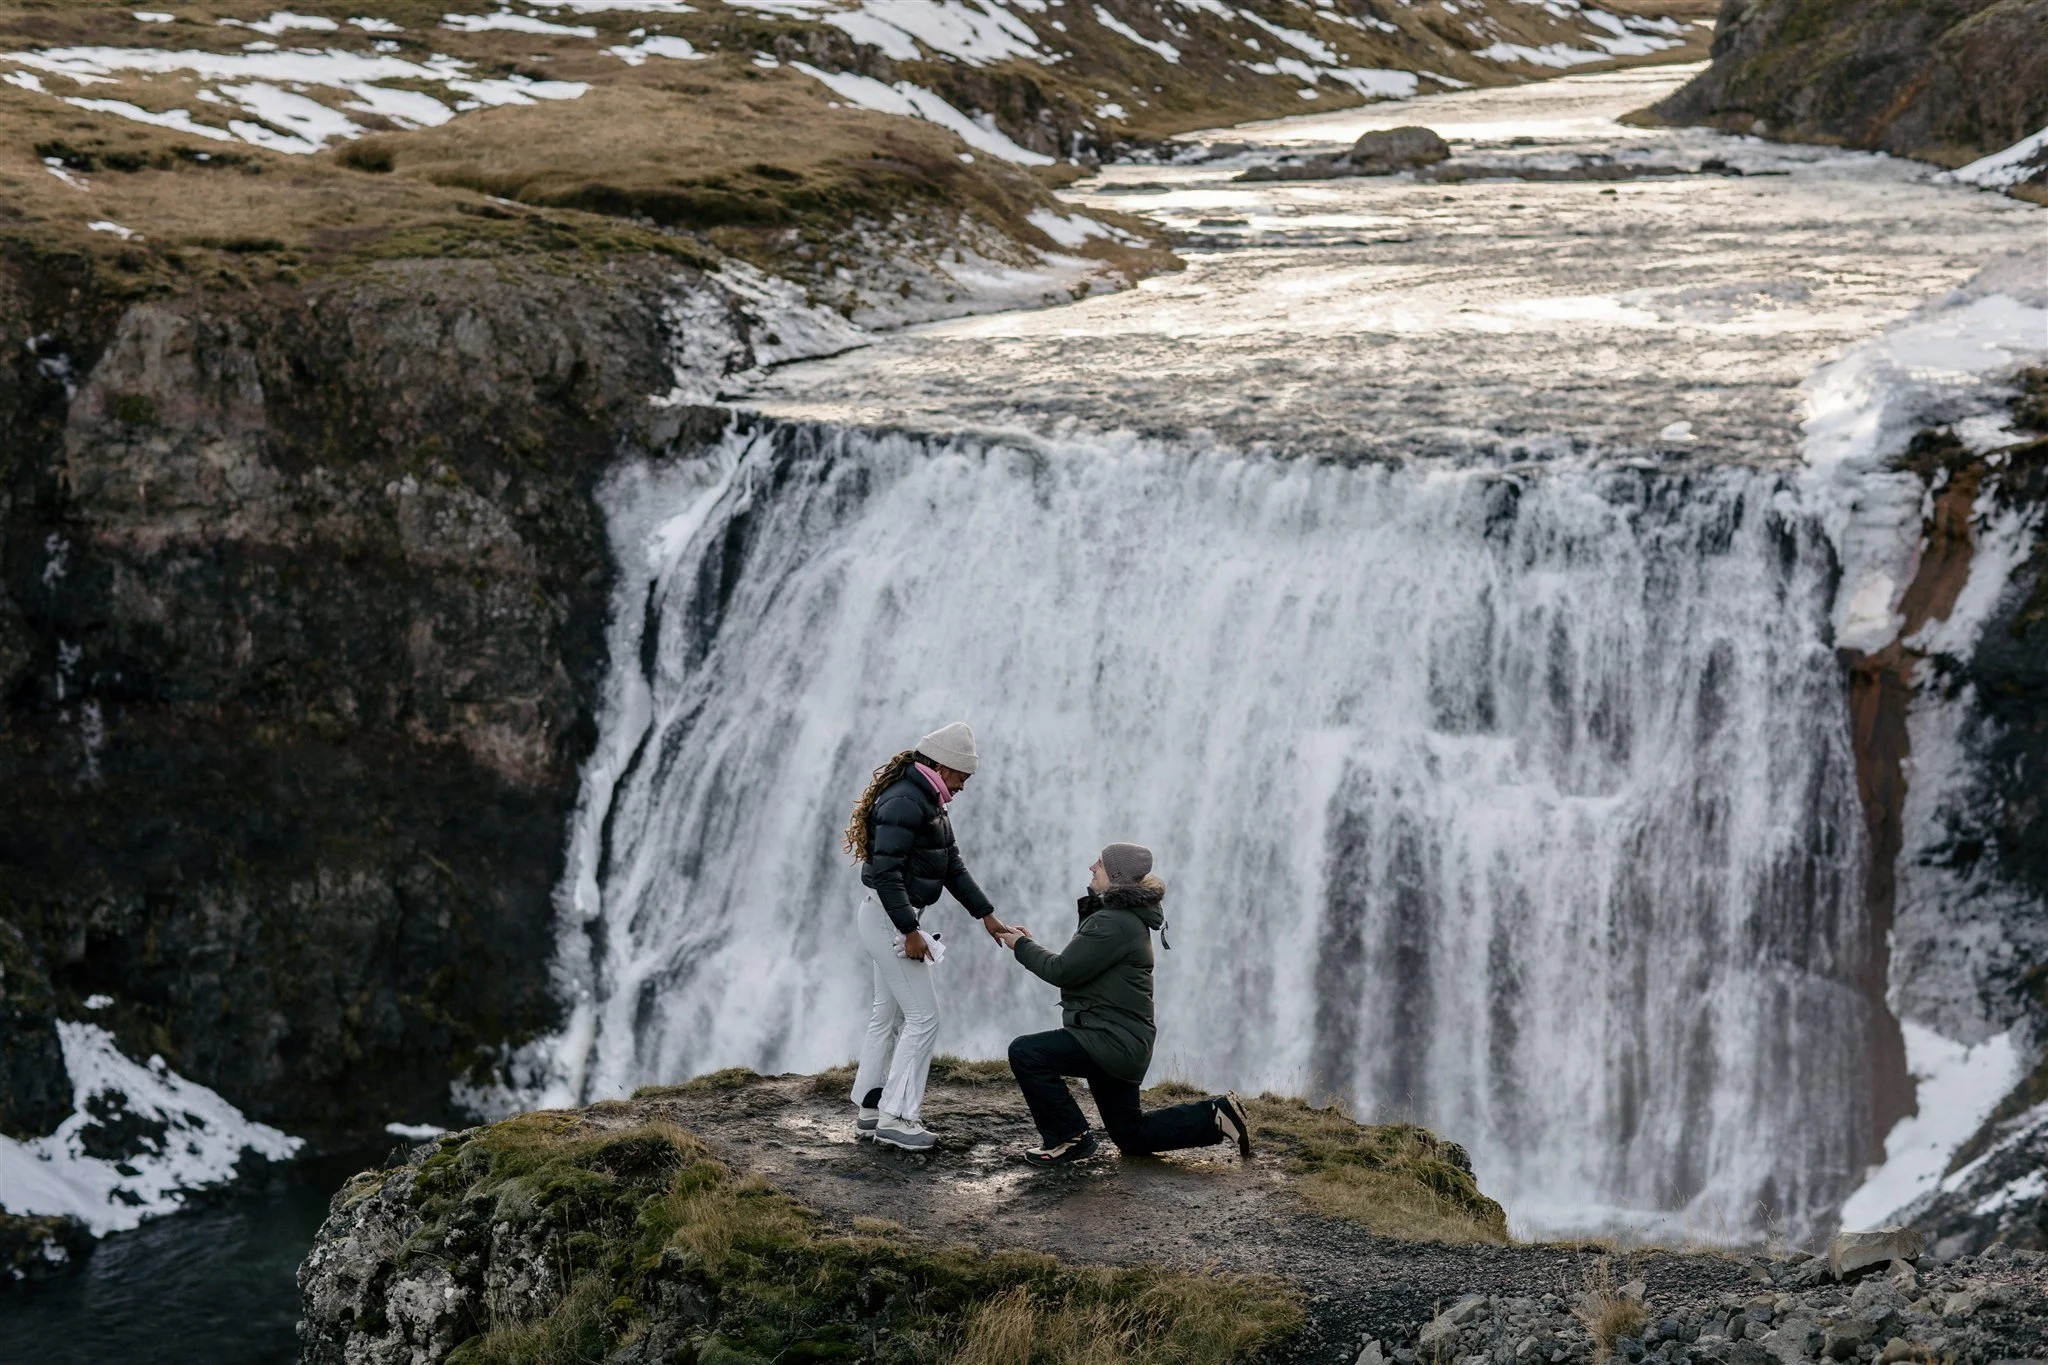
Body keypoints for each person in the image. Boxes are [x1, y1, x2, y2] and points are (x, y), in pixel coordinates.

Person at [997, 842, 1253, 1167]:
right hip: (1122, 1043)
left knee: (1026, 1052)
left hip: (1109, 1041)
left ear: (1115, 877)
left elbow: (1061, 971)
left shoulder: (1114, 922)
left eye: (1099, 864)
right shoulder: (1122, 918)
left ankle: (1068, 1138)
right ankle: (1218, 1115)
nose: (1091, 867)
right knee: (1132, 1136)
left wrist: (1020, 944)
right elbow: (1083, 963)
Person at [840, 722, 1011, 1152]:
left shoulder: (929, 800)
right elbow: (886, 873)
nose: (964, 785)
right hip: (890, 918)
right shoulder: (905, 801)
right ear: (939, 764)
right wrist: (910, 930)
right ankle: (898, 1118)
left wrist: (987, 915)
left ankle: (871, 1108)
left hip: (887, 915)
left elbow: (952, 866)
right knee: (925, 1017)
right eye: (962, 776)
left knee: (889, 1013)